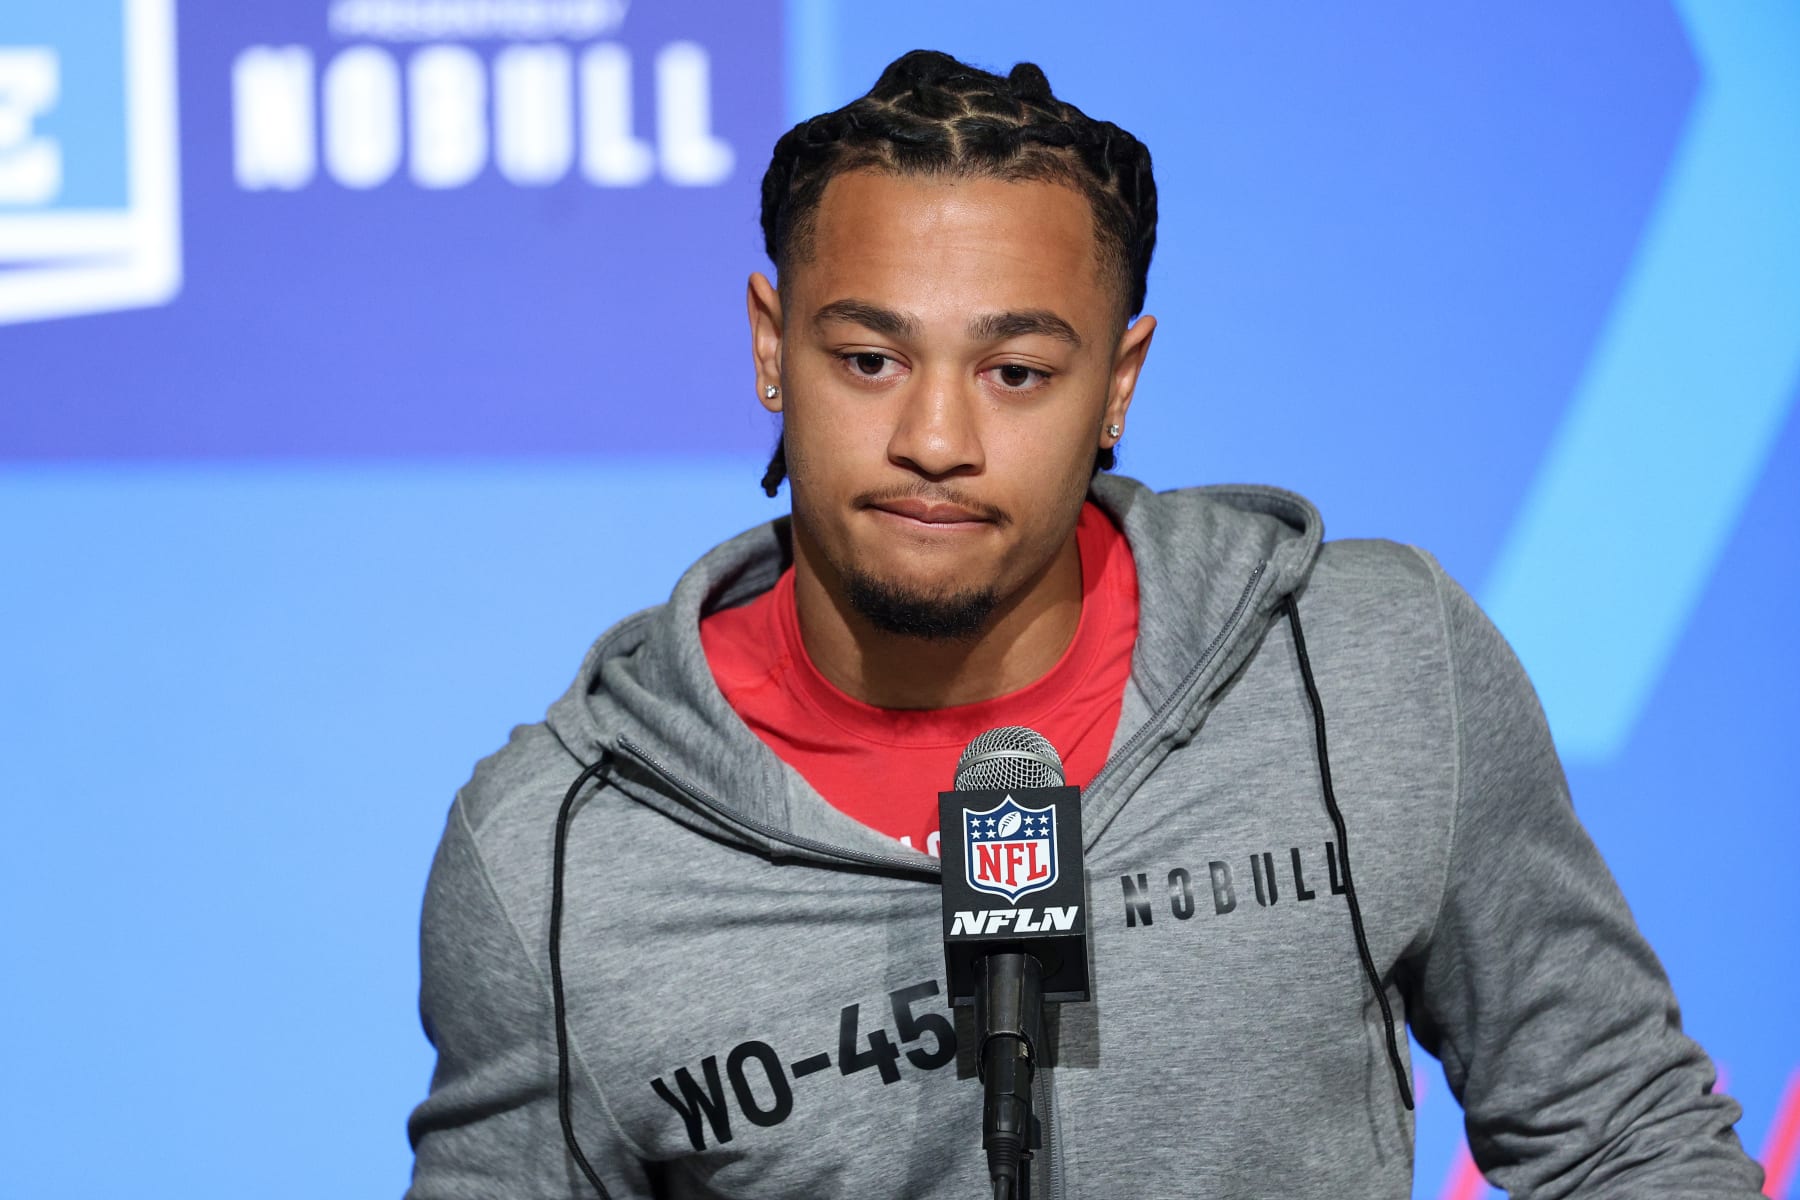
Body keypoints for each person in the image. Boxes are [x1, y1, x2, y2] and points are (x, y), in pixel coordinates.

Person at [405, 49, 1763, 1199]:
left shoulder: (1368, 668)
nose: (936, 437)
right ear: (772, 346)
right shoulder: (556, 860)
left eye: (1016, 371)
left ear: (1118, 381)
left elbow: (1626, 1140)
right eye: (869, 359)